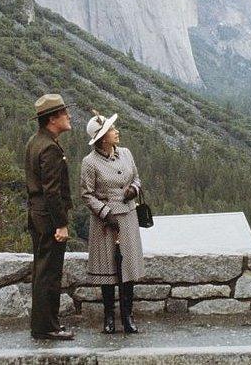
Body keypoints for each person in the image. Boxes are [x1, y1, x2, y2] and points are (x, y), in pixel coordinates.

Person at [80, 110, 144, 334]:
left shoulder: (126, 153)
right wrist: (105, 213)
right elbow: (87, 194)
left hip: (128, 216)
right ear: (103, 137)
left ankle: (128, 315)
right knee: (108, 269)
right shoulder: (89, 163)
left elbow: (136, 177)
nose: (117, 132)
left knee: (126, 269)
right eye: (112, 130)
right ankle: (109, 317)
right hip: (105, 222)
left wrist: (133, 190)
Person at [24, 93, 75, 340]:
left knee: (42, 271)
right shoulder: (49, 148)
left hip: (38, 216)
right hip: (49, 221)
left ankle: (44, 325)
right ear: (52, 118)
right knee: (49, 274)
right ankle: (47, 328)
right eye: (65, 113)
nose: (69, 116)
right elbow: (52, 191)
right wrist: (61, 224)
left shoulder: (35, 141)